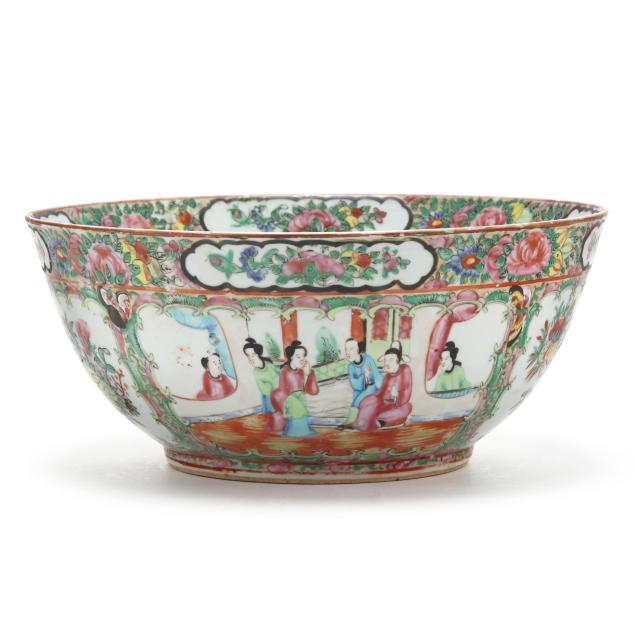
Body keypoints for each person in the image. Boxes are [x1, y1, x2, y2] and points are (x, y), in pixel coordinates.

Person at [353, 341, 412, 432]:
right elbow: (380, 393)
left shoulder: (405, 369)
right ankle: (362, 422)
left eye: (391, 359)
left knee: (407, 408)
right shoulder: (387, 376)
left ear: (399, 359)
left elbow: (406, 394)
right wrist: (370, 398)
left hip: (397, 406)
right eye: (386, 360)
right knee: (369, 400)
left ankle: (380, 421)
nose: (387, 363)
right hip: (384, 404)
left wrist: (396, 397)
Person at [270, 340, 319, 437]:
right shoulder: (285, 371)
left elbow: (312, 391)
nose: (302, 359)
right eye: (298, 356)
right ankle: (295, 431)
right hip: (288, 401)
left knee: (301, 405)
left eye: (303, 356)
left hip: (298, 400)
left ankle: (300, 430)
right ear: (291, 357)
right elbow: (287, 394)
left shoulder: (302, 371)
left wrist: (308, 374)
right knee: (298, 407)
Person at [342, 338, 383, 426]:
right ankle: (354, 420)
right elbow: (355, 385)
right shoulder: (350, 367)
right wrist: (364, 376)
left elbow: (376, 376)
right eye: (346, 349)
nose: (348, 352)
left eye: (351, 349)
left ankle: (352, 421)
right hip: (358, 394)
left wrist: (383, 389)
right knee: (357, 399)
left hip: (372, 390)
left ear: (358, 349)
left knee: (368, 391)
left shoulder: (368, 359)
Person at [243, 337, 280, 430]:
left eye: (253, 355)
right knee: (271, 421)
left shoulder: (269, 365)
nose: (250, 358)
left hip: (279, 394)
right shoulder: (256, 372)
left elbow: (278, 377)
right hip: (269, 397)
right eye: (248, 355)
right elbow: (265, 390)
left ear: (258, 354)